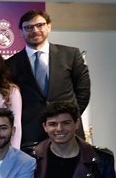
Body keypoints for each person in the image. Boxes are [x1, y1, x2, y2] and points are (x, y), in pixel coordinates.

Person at [5, 10, 91, 151]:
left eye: (40, 25)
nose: (35, 30)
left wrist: (67, 119)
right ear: (21, 32)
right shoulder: (10, 65)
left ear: (49, 26)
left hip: (68, 133)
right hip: (30, 135)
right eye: (29, 27)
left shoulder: (71, 55)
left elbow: (83, 92)